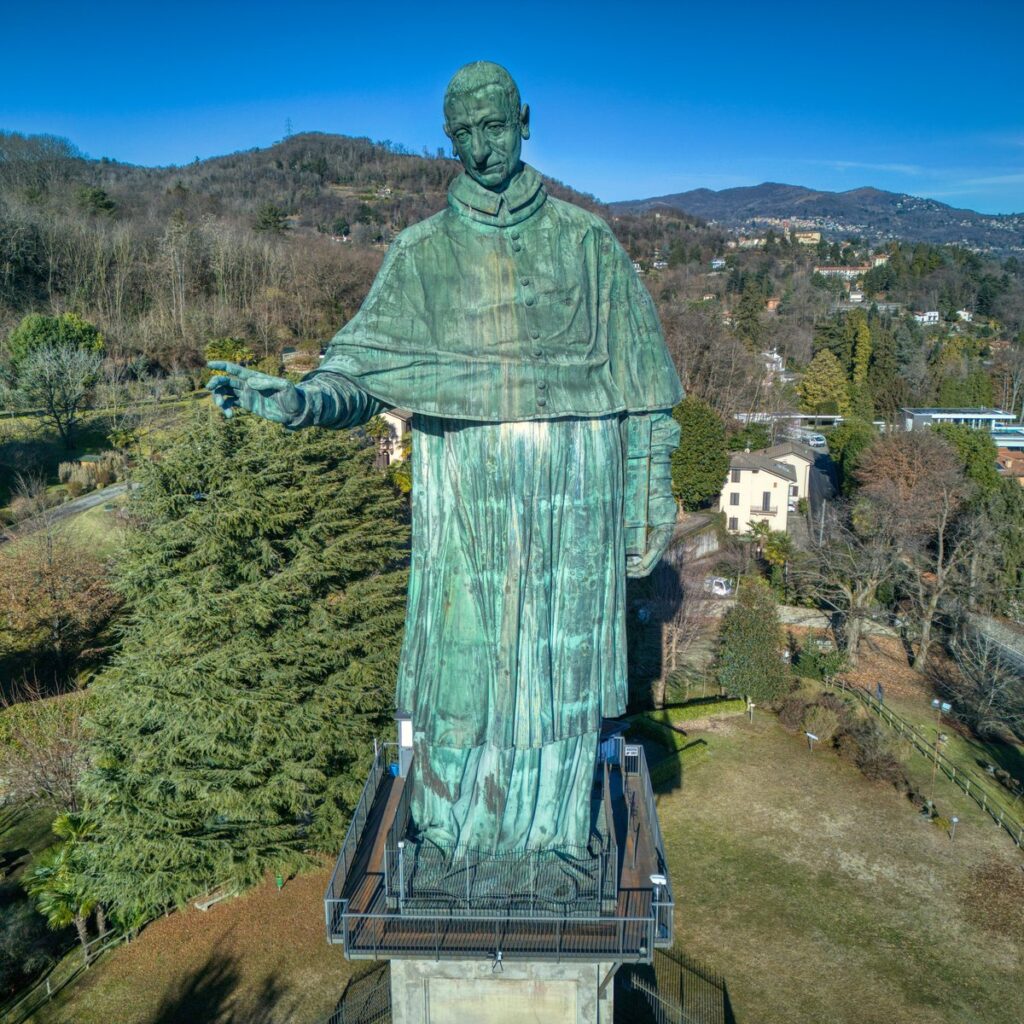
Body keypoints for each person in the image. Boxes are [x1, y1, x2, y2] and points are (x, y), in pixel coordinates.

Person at [207, 61, 682, 855]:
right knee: (461, 678)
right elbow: (359, 373)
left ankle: (560, 842)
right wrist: (294, 400)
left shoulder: (587, 241)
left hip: (575, 495)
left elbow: (645, 394)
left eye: (496, 126)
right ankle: (455, 836)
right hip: (466, 500)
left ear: (525, 121)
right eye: (465, 132)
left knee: (559, 684)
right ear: (449, 137)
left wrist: (650, 490)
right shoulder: (421, 252)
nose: (484, 146)